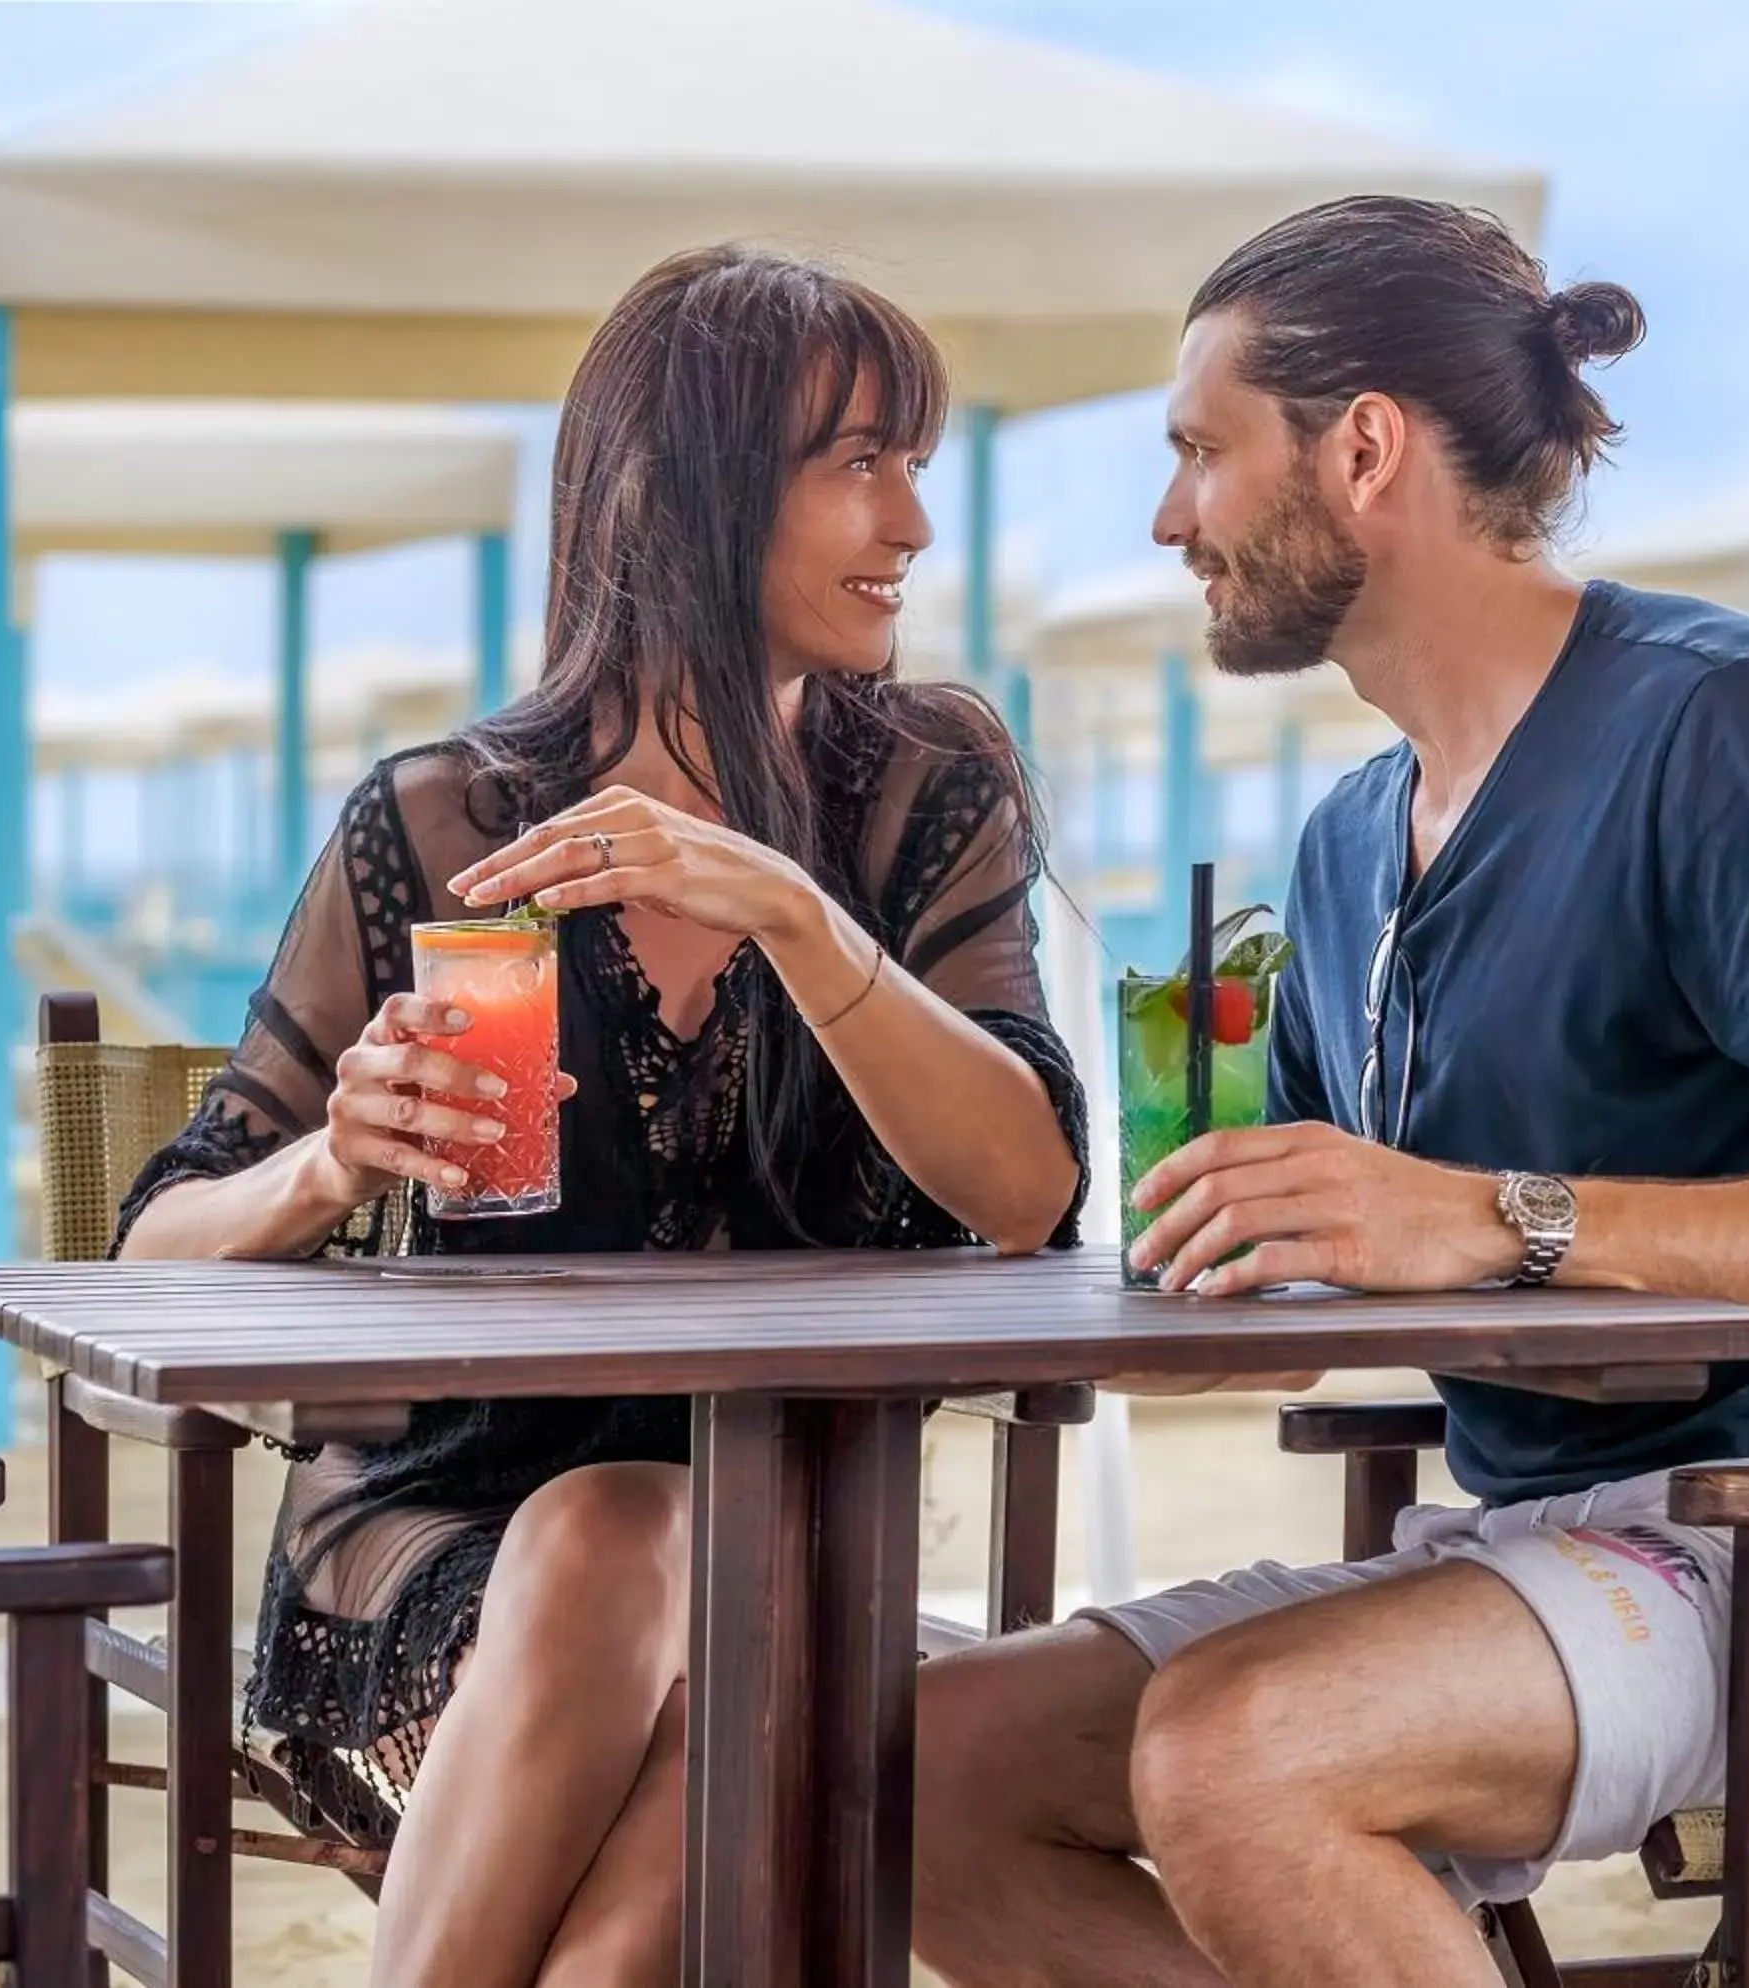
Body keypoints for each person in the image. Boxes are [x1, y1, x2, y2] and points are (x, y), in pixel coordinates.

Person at [911, 195, 1749, 1988]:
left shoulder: (1724, 724)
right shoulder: (1355, 839)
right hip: (1536, 1549)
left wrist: (1483, 1221)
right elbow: (1292, 1305)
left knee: (1243, 1751)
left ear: (1362, 448)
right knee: (929, 1768)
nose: (1167, 519)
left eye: (1201, 453)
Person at [116, 245, 1085, 1988]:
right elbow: (151, 1241)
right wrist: (336, 1159)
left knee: (721, 1670)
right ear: (697, 495)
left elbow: (1026, 1189)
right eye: (860, 462)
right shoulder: (438, 824)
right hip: (439, 1550)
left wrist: (800, 913)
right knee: (625, 1540)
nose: (915, 525)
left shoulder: (919, 805)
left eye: (915, 463)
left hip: (796, 1551)